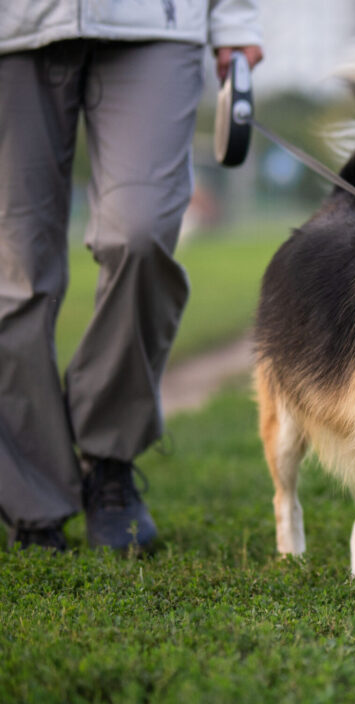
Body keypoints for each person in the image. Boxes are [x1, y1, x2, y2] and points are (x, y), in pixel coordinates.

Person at [0, 1, 264, 552]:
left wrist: (236, 20)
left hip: (154, 22)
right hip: (13, 32)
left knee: (140, 237)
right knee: (16, 268)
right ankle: (31, 500)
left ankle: (110, 458)